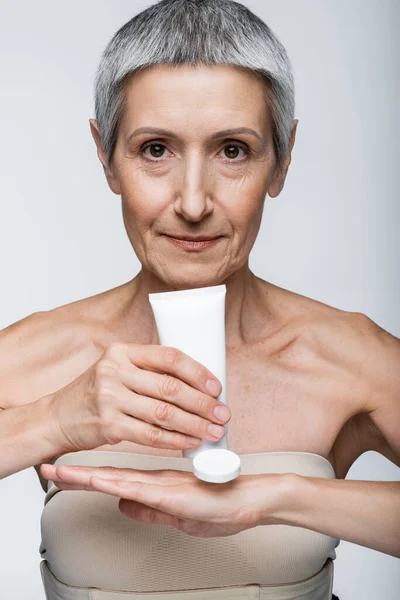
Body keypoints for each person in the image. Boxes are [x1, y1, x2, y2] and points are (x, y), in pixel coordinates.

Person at [1, 0, 399, 598]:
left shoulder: (348, 356)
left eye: (232, 150)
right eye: (155, 149)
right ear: (106, 156)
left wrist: (284, 496)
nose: (192, 202)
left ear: (282, 160)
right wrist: (55, 418)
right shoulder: (35, 357)